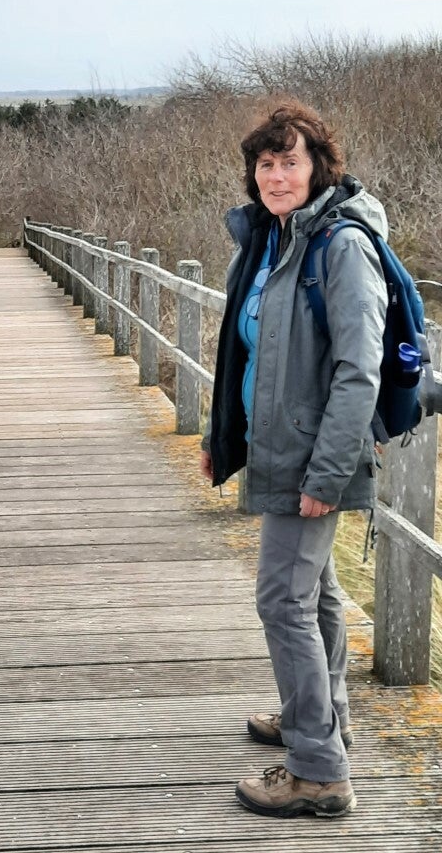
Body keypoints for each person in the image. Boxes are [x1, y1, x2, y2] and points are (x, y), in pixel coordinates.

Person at [200, 102, 387, 818]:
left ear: (320, 169)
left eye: (291, 162)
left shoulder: (341, 247)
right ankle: (322, 717)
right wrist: (225, 438)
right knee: (318, 595)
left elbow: (358, 372)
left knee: (282, 599)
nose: (276, 176)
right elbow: (244, 352)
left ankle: (318, 770)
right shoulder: (272, 239)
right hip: (277, 447)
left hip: (314, 459)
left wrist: (327, 475)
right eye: (266, 163)